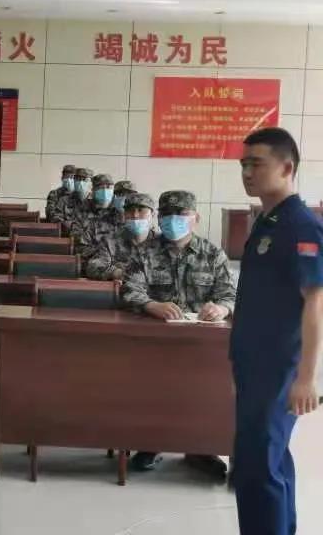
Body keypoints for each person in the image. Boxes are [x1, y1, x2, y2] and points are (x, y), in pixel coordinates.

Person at [231, 127, 323, 535]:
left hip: (278, 369)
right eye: (243, 164)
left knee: (258, 467)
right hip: (256, 366)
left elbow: (315, 302)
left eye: (257, 164)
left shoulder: (300, 225)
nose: (248, 172)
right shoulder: (269, 221)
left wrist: (306, 378)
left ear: (287, 168)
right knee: (271, 461)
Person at [121, 190, 236, 476]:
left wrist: (221, 308)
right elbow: (128, 290)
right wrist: (151, 305)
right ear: (159, 219)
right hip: (155, 340)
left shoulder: (213, 254)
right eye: (167, 215)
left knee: (203, 394)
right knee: (154, 393)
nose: (174, 220)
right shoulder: (144, 252)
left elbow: (230, 294)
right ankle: (151, 445)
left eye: (181, 215)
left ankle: (200, 449)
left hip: (201, 342)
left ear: (196, 218)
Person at [86, 193, 158, 281]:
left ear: (152, 214)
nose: (135, 215)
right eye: (130, 211)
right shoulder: (109, 242)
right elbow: (93, 267)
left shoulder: (162, 243)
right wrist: (116, 273)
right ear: (124, 214)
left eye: (141, 210)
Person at [70, 173, 122, 266]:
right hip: (92, 263)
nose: (105, 191)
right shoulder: (81, 209)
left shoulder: (118, 212)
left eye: (108, 187)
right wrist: (104, 255)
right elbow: (77, 241)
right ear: (93, 190)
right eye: (100, 187)